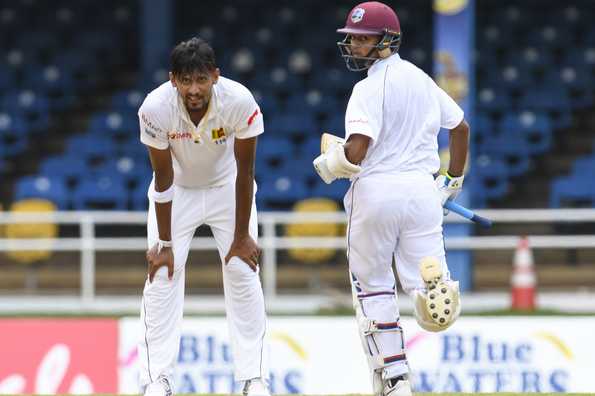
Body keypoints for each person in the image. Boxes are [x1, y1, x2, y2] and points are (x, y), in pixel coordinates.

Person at [313, 2, 470, 396]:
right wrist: (452, 179)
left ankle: (396, 379)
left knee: (373, 287)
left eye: (362, 38)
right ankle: (434, 284)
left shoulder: (366, 88)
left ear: (386, 41)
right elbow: (461, 127)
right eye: (352, 37)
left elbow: (359, 150)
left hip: (377, 191)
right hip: (422, 192)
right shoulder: (422, 80)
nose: (352, 44)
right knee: (423, 292)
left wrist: (331, 163)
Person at [137, 37, 270, 396]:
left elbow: (246, 172)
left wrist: (242, 237)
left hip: (228, 188)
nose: (193, 90)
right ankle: (157, 380)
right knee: (163, 273)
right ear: (172, 80)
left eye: (200, 79)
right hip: (177, 190)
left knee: (243, 270)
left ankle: (253, 379)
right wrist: (164, 244)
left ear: (215, 75)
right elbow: (162, 178)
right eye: (185, 80)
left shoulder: (239, 101)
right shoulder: (155, 107)